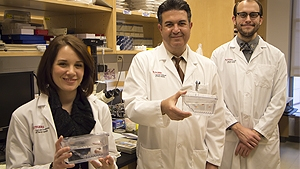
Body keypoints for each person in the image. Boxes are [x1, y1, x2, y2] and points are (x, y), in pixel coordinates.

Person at [122, 0, 226, 168]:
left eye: (181, 23)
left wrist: (213, 161)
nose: (176, 30)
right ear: (160, 28)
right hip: (156, 160)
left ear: (190, 26)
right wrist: (162, 107)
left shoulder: (208, 67)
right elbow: (132, 107)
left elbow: (217, 119)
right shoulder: (143, 61)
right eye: (169, 24)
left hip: (194, 160)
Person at [6, 35, 119, 169]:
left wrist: (109, 167)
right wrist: (51, 167)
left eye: (78, 65)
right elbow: (16, 167)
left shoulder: (100, 109)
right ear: (49, 67)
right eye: (63, 64)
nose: (71, 72)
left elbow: (111, 155)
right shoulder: (23, 116)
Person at [211, 0, 287, 169]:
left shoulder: (276, 57)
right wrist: (238, 128)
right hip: (230, 137)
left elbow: (279, 101)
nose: (248, 19)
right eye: (242, 14)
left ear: (261, 19)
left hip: (261, 142)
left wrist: (255, 135)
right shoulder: (218, 55)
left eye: (253, 15)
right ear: (234, 19)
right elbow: (215, 97)